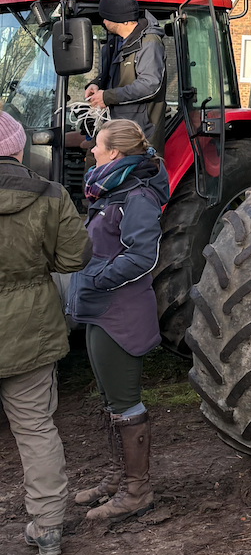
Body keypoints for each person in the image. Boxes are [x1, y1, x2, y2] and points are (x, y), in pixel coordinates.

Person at [68, 119, 169, 522]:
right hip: (100, 308)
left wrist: (94, 277)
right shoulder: (112, 189)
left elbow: (142, 256)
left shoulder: (137, 195)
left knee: (125, 403)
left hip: (120, 312)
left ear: (115, 153)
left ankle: (137, 490)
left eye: (98, 145)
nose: (91, 149)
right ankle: (118, 478)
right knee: (112, 402)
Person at [0, 110, 90, 555]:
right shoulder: (51, 194)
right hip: (30, 329)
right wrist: (39, 267)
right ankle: (48, 527)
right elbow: (75, 258)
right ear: (17, 149)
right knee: (35, 428)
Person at [84, 0, 167, 152]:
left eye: (105, 17)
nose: (103, 22)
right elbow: (113, 77)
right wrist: (97, 84)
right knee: (94, 167)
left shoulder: (149, 42)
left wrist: (107, 97)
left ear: (119, 18)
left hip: (136, 135)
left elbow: (150, 86)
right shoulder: (116, 42)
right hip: (115, 127)